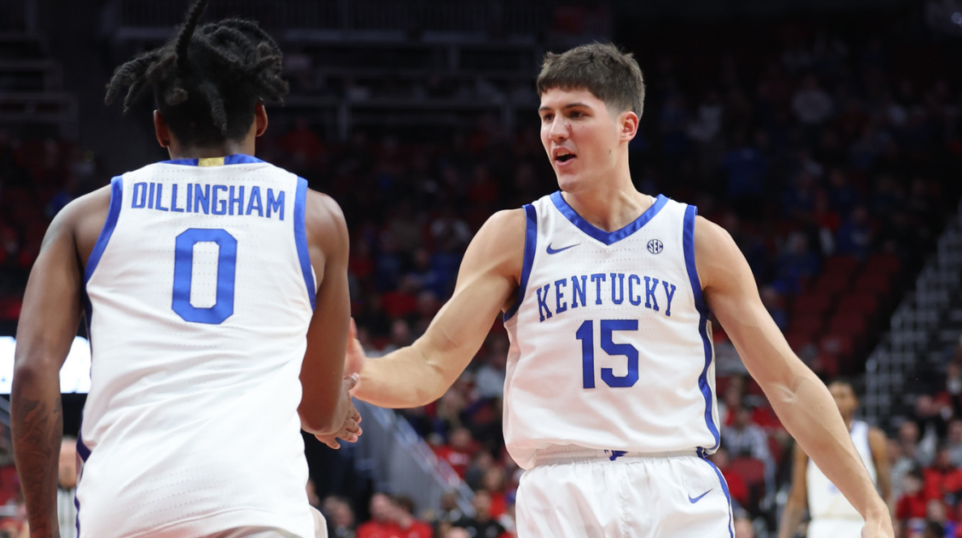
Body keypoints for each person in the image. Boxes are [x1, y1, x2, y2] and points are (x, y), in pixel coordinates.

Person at [345, 42, 893, 537]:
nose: (556, 131)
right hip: (561, 489)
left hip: (676, 484)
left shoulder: (696, 240)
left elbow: (789, 383)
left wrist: (871, 507)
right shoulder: (514, 236)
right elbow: (431, 366)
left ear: (626, 125)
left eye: (576, 114)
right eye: (547, 116)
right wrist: (356, 370)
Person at [10, 1, 359, 536]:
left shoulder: (85, 218)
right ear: (261, 117)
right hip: (254, 503)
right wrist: (337, 413)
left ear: (159, 126)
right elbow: (316, 410)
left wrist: (41, 529)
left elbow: (33, 370)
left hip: (124, 505)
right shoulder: (317, 218)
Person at [780, 378, 893, 538]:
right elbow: (797, 498)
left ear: (855, 401)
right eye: (832, 396)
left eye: (843, 396)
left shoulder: (872, 438)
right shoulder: (806, 440)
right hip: (822, 526)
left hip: (861, 526)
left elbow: (887, 493)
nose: (837, 401)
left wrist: (890, 528)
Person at [57, 437, 78, 538]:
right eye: (62, 459)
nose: (67, 466)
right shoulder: (43, 499)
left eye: (71, 459)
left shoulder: (95, 497)